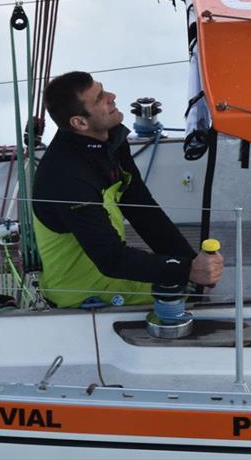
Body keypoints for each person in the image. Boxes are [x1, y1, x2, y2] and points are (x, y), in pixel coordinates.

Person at [32, 71, 223, 308]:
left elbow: (142, 209)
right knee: (186, 296)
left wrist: (191, 263)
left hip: (110, 274)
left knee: (192, 287)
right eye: (100, 97)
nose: (112, 96)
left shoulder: (109, 140)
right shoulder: (66, 178)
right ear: (79, 123)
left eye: (103, 89)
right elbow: (111, 259)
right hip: (83, 290)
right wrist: (187, 271)